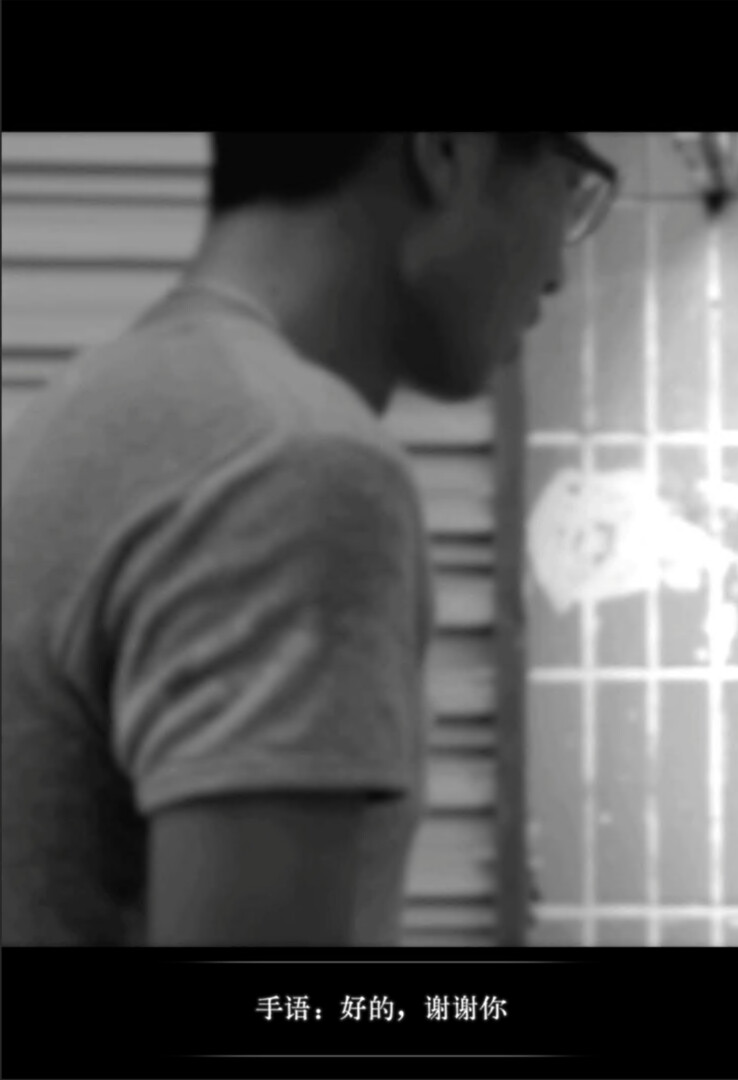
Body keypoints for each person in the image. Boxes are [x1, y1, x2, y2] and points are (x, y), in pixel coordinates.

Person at [1, 132, 619, 945]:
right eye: (568, 184)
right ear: (446, 151)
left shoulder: (74, 415)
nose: (560, 270)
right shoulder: (293, 465)